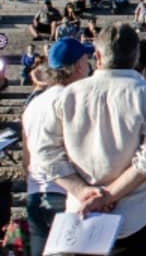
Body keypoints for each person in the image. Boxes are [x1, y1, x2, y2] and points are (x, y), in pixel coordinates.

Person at [35, 22, 146, 256]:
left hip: (82, 213)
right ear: (136, 55)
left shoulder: (68, 96)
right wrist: (108, 195)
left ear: (97, 56)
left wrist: (83, 192)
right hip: (134, 217)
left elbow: (45, 154)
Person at [21, 37, 95, 256]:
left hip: (36, 191)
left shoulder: (34, 103)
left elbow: (27, 159)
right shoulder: (73, 99)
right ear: (78, 66)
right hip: (64, 193)